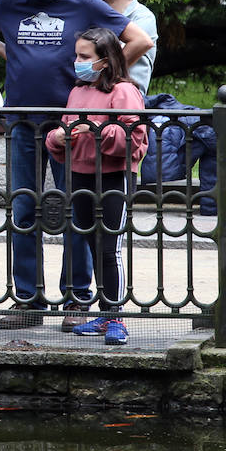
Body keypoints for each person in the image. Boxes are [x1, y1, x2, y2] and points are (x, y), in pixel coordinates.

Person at [0, 0, 154, 329]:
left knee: (77, 209)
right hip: (22, 119)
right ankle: (28, 299)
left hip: (74, 124)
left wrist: (104, 77)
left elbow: (140, 40)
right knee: (24, 207)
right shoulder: (10, 1)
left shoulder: (83, 2)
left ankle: (77, 299)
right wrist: (6, 51)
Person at [46, 28, 148, 346]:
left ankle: (116, 316)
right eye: (76, 55)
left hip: (113, 176)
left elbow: (136, 139)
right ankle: (105, 314)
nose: (77, 62)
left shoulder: (124, 91)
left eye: (84, 57)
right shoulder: (77, 91)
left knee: (109, 248)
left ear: (105, 60)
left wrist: (97, 132)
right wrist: (58, 138)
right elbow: (61, 132)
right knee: (92, 243)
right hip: (80, 175)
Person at [93, 0, 158, 92]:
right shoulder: (95, 14)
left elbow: (112, 58)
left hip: (125, 104)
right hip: (93, 102)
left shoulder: (143, 18)